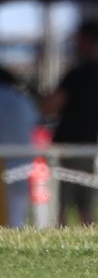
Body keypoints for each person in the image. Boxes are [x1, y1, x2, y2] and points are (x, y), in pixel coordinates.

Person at [40, 18, 98, 226]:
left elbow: (50, 106)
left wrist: (38, 100)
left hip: (67, 148)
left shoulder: (77, 75)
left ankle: (59, 243)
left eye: (78, 39)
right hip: (90, 146)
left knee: (59, 207)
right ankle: (96, 244)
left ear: (87, 40)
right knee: (85, 208)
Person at [0, 65, 39, 228]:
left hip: (5, 165)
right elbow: (35, 123)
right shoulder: (23, 100)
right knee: (16, 221)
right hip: (21, 168)